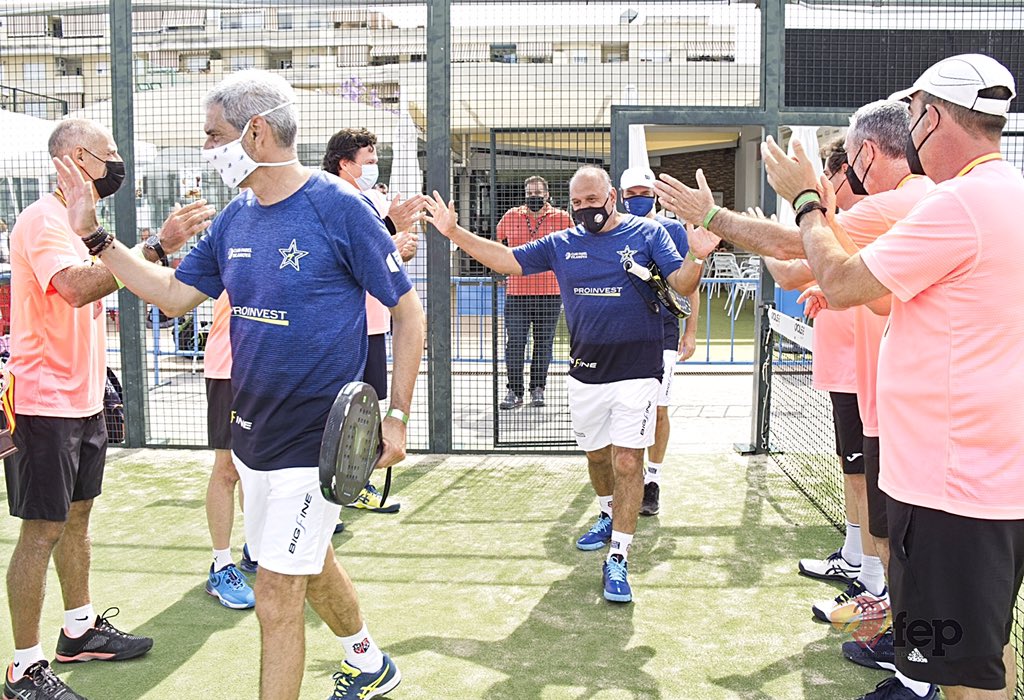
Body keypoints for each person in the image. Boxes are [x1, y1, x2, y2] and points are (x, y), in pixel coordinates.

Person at [52, 70, 424, 700]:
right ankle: (368, 662)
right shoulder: (235, 220)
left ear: (254, 133)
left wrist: (397, 417)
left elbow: (409, 315)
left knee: (277, 593)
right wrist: (95, 236)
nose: (206, 147)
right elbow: (171, 297)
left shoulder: (339, 206)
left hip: (318, 437)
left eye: (213, 134)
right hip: (252, 433)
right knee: (310, 562)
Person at [657, 100, 937, 700]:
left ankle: (914, 666)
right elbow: (840, 276)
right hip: (897, 401)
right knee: (894, 535)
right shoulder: (919, 205)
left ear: (865, 155)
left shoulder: (900, 204)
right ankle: (902, 638)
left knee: (907, 546)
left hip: (907, 409)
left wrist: (719, 215)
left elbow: (793, 252)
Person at [765, 53, 1024, 700]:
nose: (910, 132)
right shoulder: (1005, 195)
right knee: (977, 648)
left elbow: (843, 281)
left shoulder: (958, 203)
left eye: (914, 115)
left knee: (966, 674)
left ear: (933, 116)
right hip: (981, 472)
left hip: (954, 485)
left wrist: (805, 204)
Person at [425, 165, 708, 604]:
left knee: (628, 462)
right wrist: (455, 231)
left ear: (610, 196)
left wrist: (698, 256)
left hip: (638, 367)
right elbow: (508, 260)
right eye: (577, 203)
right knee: (598, 458)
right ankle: (605, 512)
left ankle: (619, 554)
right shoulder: (561, 243)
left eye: (592, 201)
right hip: (585, 372)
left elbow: (681, 283)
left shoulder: (648, 235)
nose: (585, 210)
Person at [3, 118, 213, 700]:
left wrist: (146, 252)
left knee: (76, 519)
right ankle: (23, 668)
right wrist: (155, 247)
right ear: (74, 160)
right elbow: (73, 286)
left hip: (84, 398)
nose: (118, 163)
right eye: (109, 153)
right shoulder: (43, 219)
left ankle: (79, 631)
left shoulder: (78, 222)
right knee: (40, 531)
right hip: (44, 402)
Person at [764, 140, 870, 591]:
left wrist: (768, 235)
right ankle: (854, 556)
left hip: (862, 370)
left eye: (832, 177)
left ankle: (873, 578)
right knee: (854, 470)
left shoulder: (860, 221)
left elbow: (789, 272)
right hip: (846, 367)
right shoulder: (840, 224)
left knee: (866, 475)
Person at [322, 127, 425, 515]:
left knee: (364, 411)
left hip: (373, 322)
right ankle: (331, 488)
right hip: (342, 329)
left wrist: (399, 252)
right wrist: (391, 229)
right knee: (336, 411)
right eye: (368, 161)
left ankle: (356, 482)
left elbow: (377, 264)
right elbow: (334, 258)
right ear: (345, 163)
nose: (374, 167)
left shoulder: (370, 200)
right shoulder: (331, 201)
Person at [618, 166, 702, 516]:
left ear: (655, 195)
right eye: (632, 193)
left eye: (645, 192)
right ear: (622, 196)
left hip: (663, 332)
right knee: (621, 409)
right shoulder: (615, 231)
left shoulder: (672, 231)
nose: (639, 198)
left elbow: (689, 282)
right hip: (620, 334)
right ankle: (622, 480)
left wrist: (691, 331)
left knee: (659, 409)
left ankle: (652, 481)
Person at [495, 176, 573, 409]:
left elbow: (572, 248)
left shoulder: (562, 218)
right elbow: (498, 244)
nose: (534, 196)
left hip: (549, 292)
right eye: (530, 192)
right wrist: (500, 270)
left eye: (538, 192)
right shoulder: (511, 216)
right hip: (517, 292)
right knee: (516, 342)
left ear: (547, 194)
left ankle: (538, 388)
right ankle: (514, 391)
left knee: (544, 343)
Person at [203, 290, 256, 608]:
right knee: (228, 468)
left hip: (272, 368)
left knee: (262, 468)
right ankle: (220, 565)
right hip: (230, 366)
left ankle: (258, 548)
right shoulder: (226, 239)